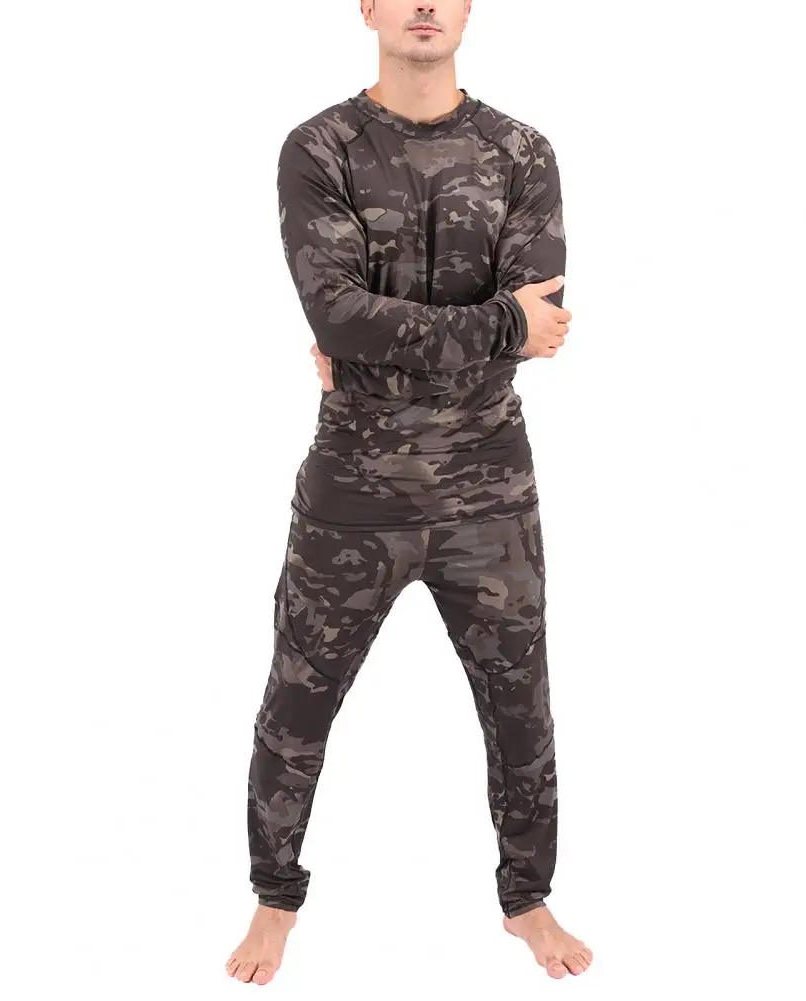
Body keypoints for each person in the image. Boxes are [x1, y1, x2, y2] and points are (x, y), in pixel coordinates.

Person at [226, 0, 592, 985]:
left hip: (489, 493)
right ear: (368, 8)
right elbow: (337, 314)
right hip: (353, 491)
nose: (424, 3)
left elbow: (546, 317)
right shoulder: (321, 147)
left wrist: (383, 334)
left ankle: (527, 898)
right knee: (297, 704)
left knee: (520, 709)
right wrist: (497, 324)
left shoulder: (521, 150)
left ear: (468, 8)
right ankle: (273, 898)